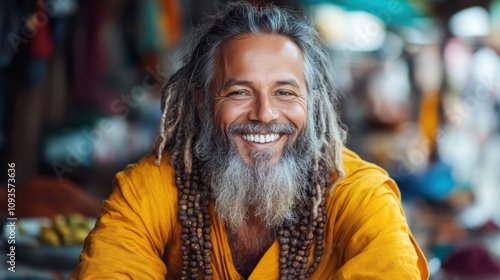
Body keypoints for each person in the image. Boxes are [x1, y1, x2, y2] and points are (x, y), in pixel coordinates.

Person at [70, 2, 429, 279]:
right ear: (203, 102)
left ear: (313, 103)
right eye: (240, 92)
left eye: (285, 93)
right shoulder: (150, 189)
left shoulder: (359, 193)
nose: (265, 113)